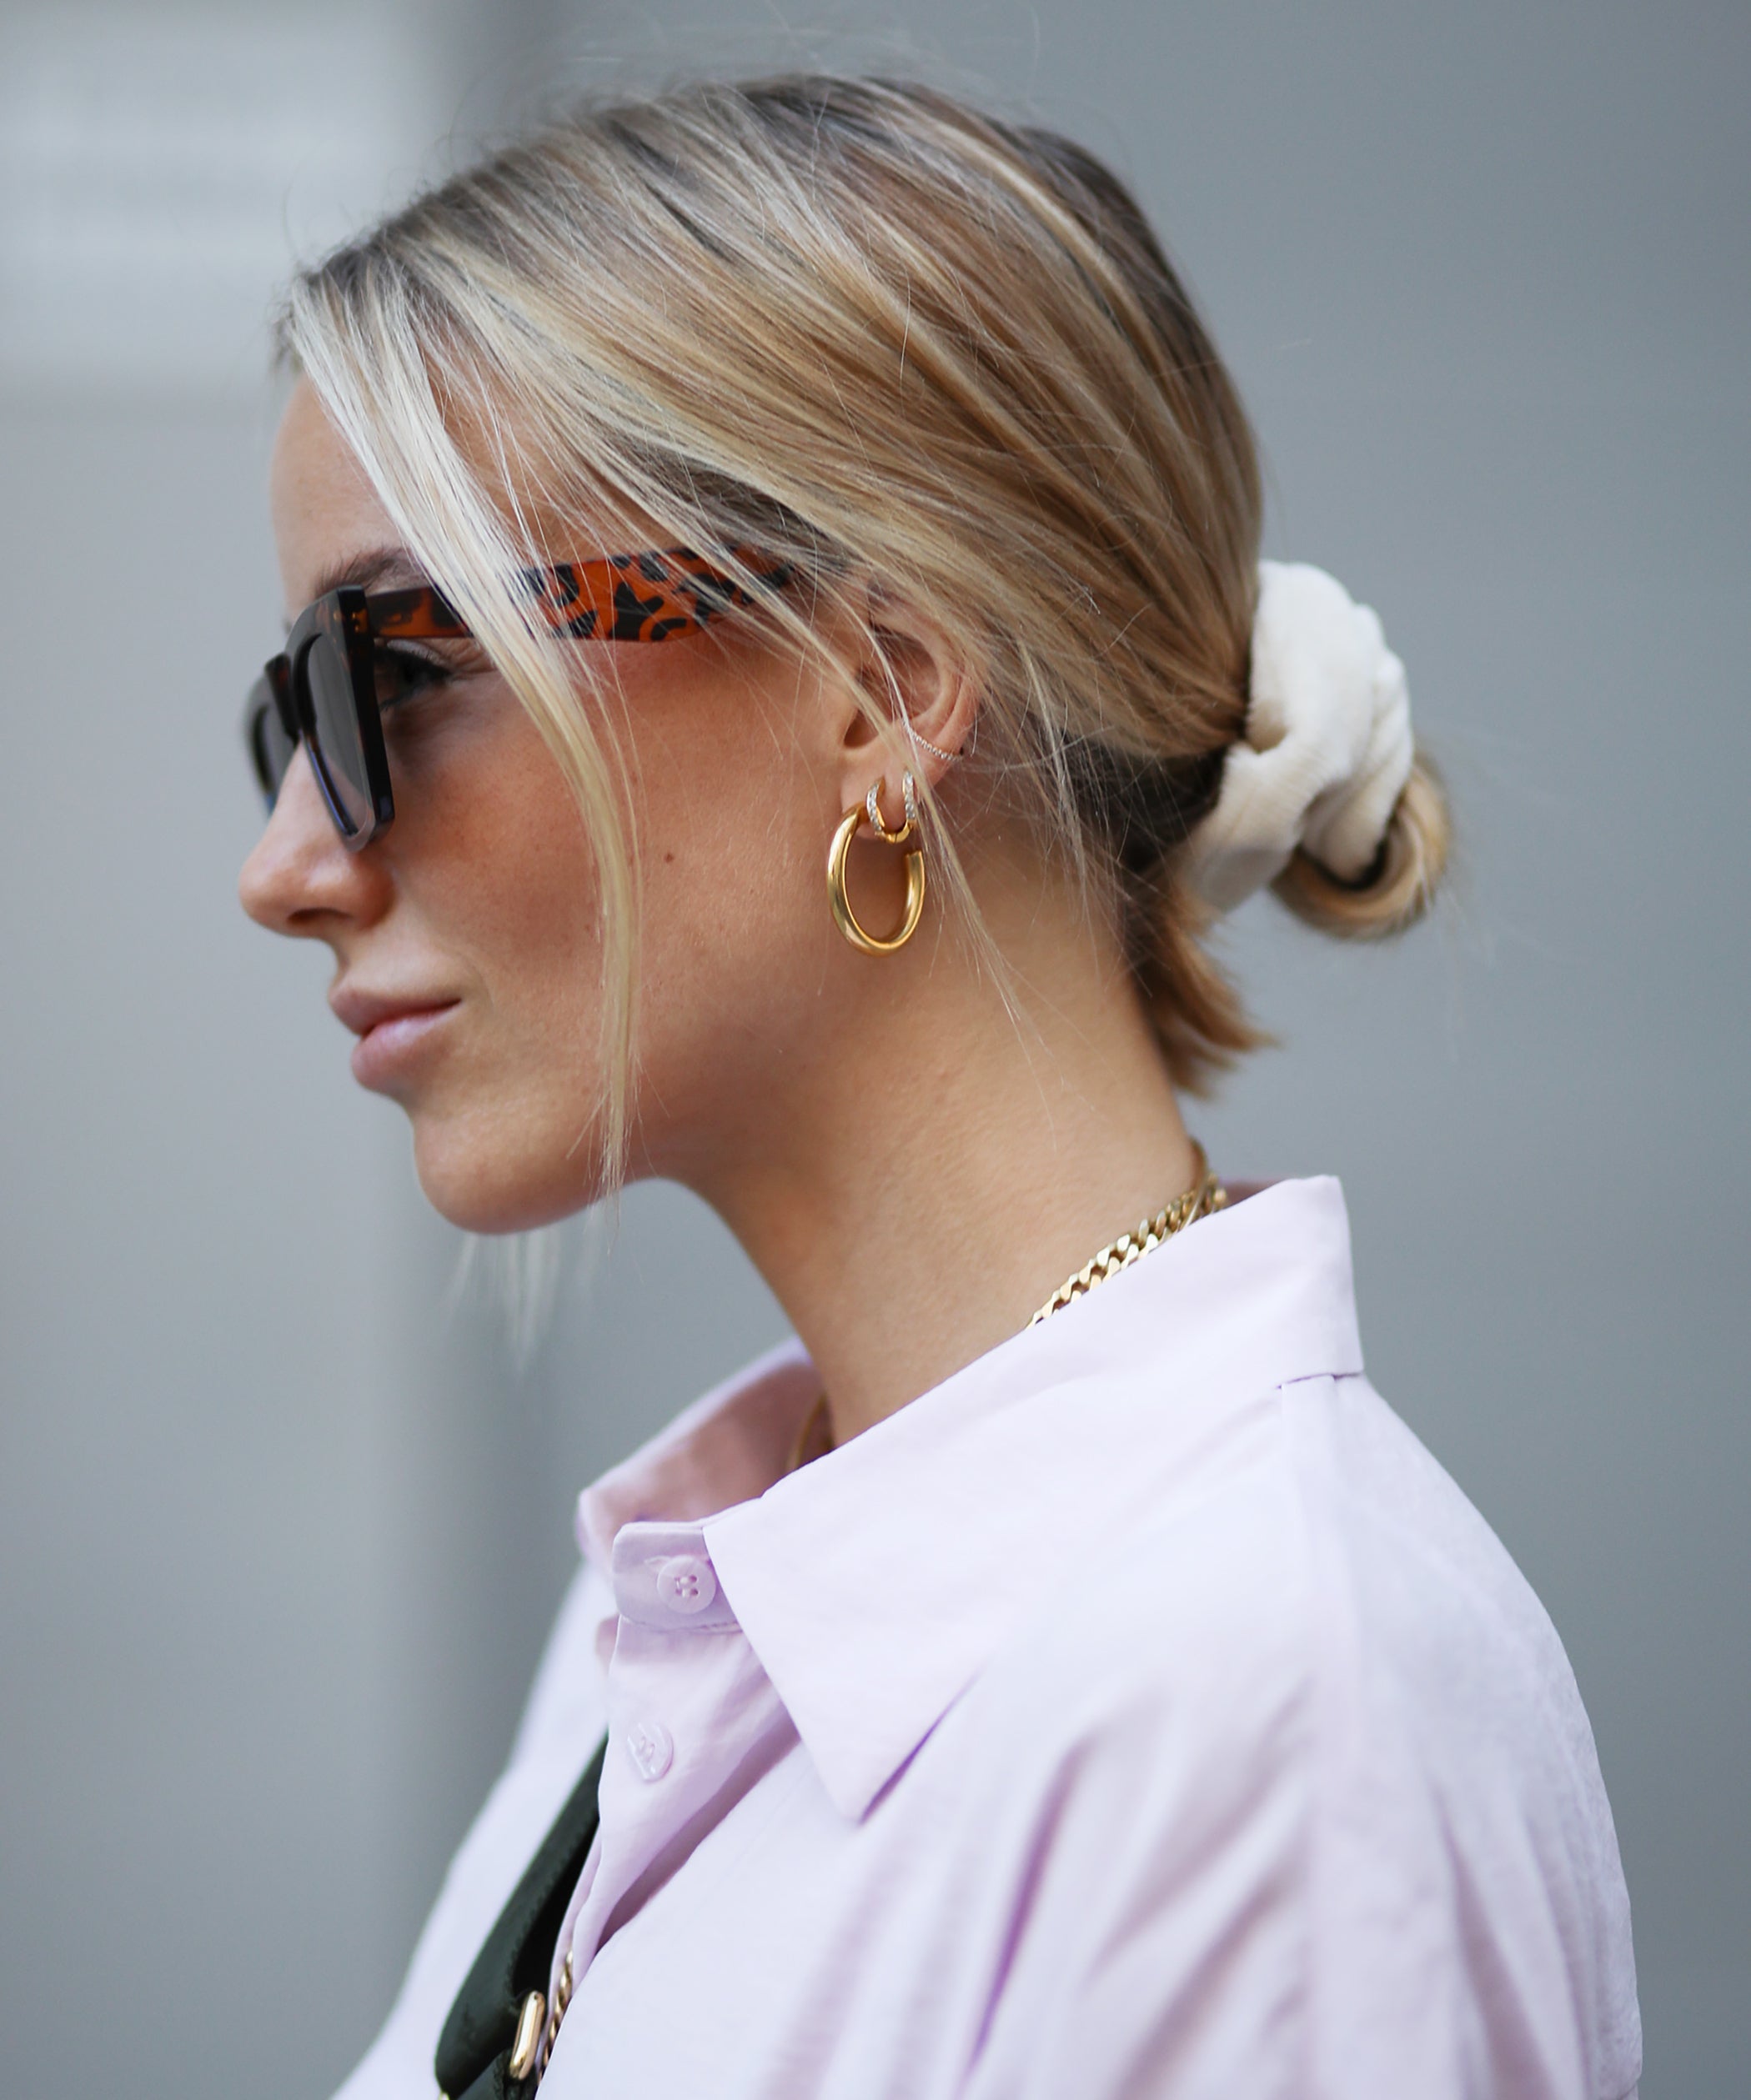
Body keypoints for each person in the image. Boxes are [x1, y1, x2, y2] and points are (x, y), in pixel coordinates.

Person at [238, 75, 1639, 2100]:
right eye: (290, 712)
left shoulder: (1263, 1717)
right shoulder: (700, 1607)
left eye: (396, 673)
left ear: (883, 687)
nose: (288, 862)